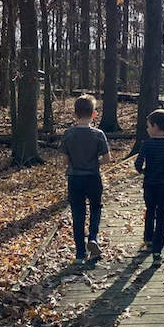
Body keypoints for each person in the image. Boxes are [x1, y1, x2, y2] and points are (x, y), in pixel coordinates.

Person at [59, 95, 111, 264]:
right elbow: (107, 158)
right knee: (96, 207)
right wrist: (94, 162)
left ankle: (80, 254)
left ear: (75, 114)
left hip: (75, 178)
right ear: (94, 114)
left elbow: (65, 160)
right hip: (93, 178)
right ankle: (93, 237)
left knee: (78, 213)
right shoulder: (98, 134)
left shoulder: (68, 134)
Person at [134, 109, 164, 266]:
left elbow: (138, 164)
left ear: (155, 126)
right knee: (162, 216)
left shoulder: (146, 144)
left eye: (148, 126)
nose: (147, 130)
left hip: (150, 183)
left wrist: (145, 171)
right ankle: (157, 252)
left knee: (150, 210)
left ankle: (148, 238)